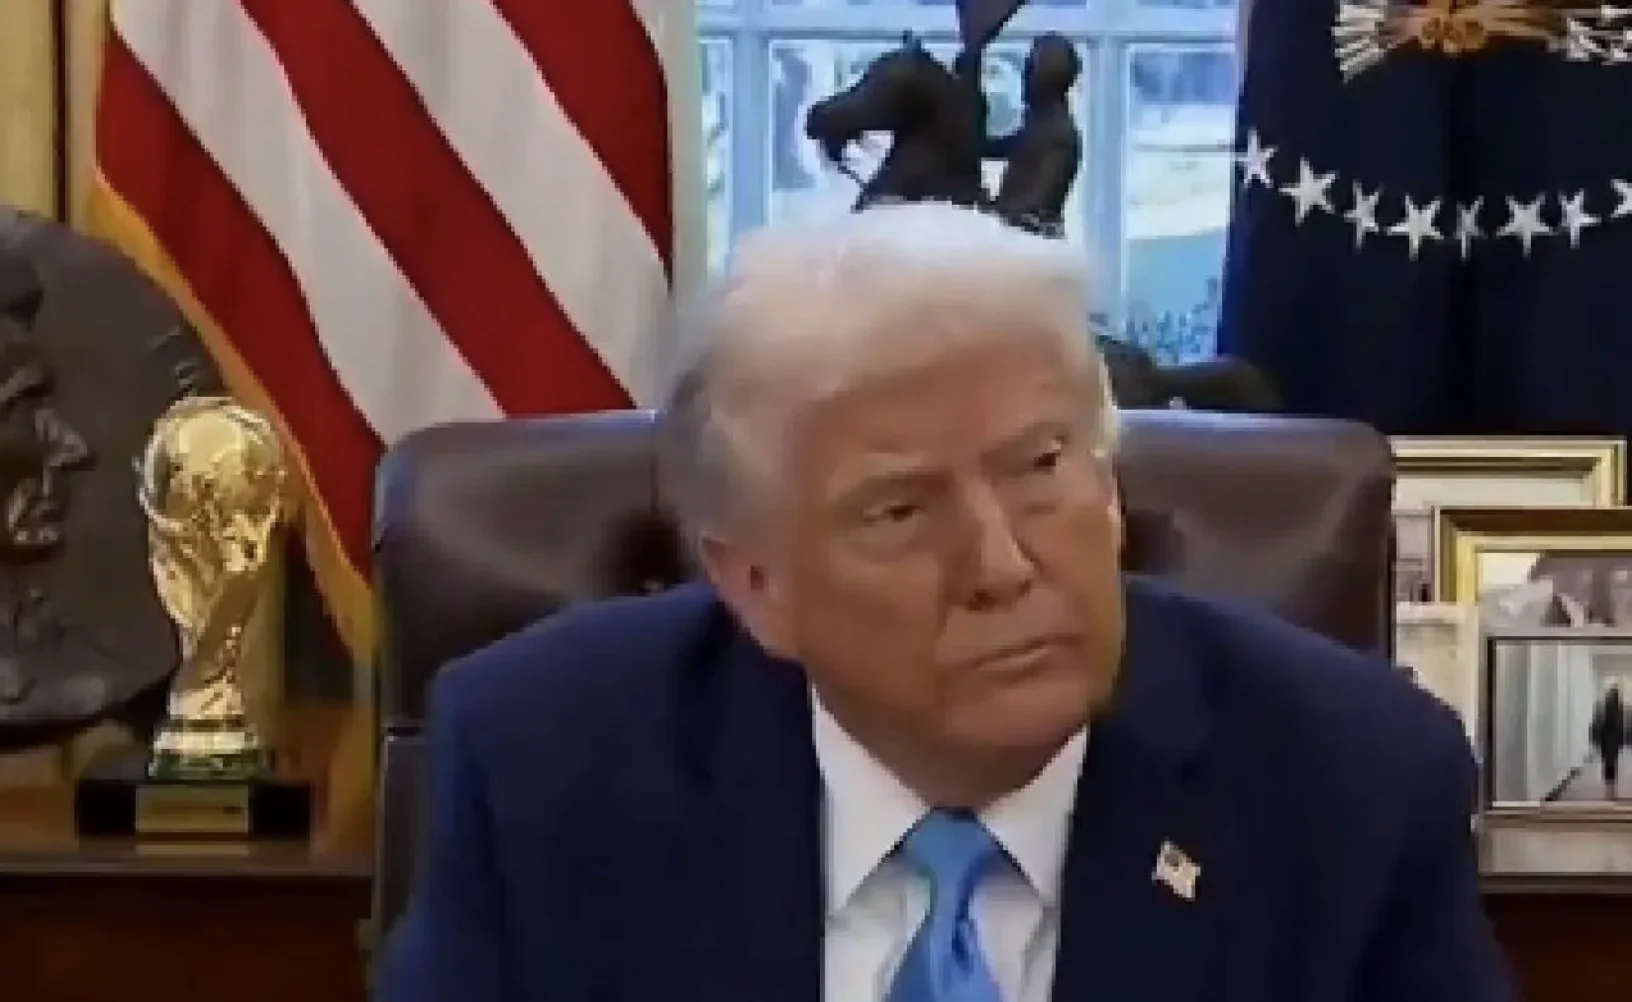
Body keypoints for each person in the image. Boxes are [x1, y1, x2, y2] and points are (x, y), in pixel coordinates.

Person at [376, 203, 1513, 1002]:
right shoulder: (544, 773)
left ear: (1110, 486)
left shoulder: (1349, 788)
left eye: (1041, 468)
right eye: (900, 512)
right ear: (755, 584)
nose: (1003, 565)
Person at [1590, 685, 1629, 798]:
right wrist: (1621, 740)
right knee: (1612, 763)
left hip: (1607, 740)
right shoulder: (1617, 708)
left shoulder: (1606, 707)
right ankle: (1611, 789)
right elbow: (1620, 725)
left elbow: (1599, 723)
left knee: (1608, 763)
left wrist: (1598, 740)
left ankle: (1609, 789)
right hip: (1612, 740)